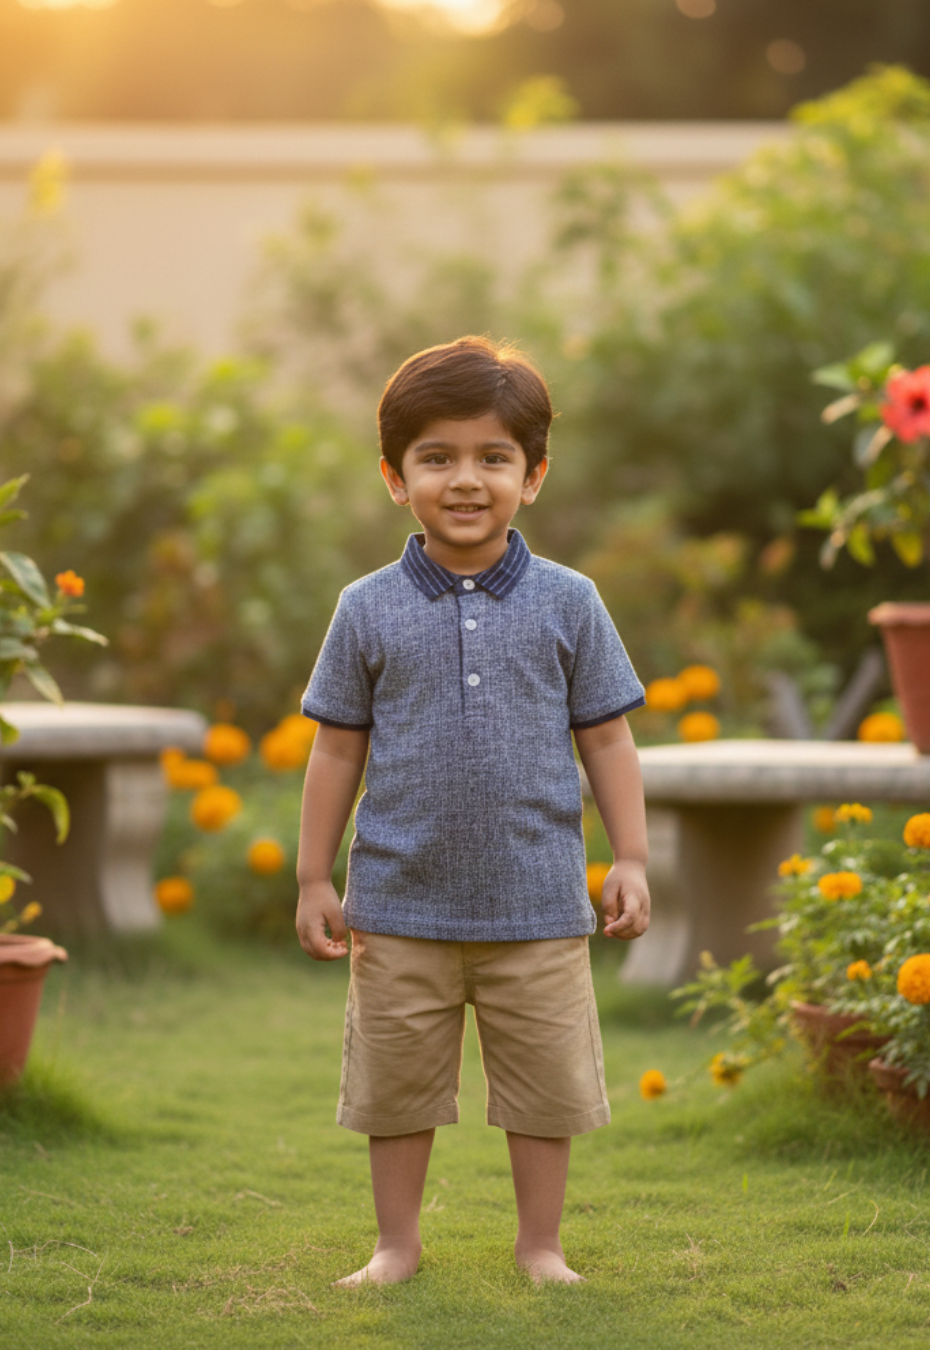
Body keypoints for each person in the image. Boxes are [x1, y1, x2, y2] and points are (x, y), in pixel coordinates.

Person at [295, 335, 650, 1287]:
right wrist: (312, 875)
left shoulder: (570, 602)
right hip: (399, 903)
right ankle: (395, 1247)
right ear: (393, 475)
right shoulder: (364, 609)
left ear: (532, 476)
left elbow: (608, 740)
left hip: (537, 905)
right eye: (437, 457)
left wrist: (633, 857)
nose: (466, 479)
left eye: (494, 458)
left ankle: (541, 1248)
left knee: (545, 1091)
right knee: (397, 1090)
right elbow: (336, 747)